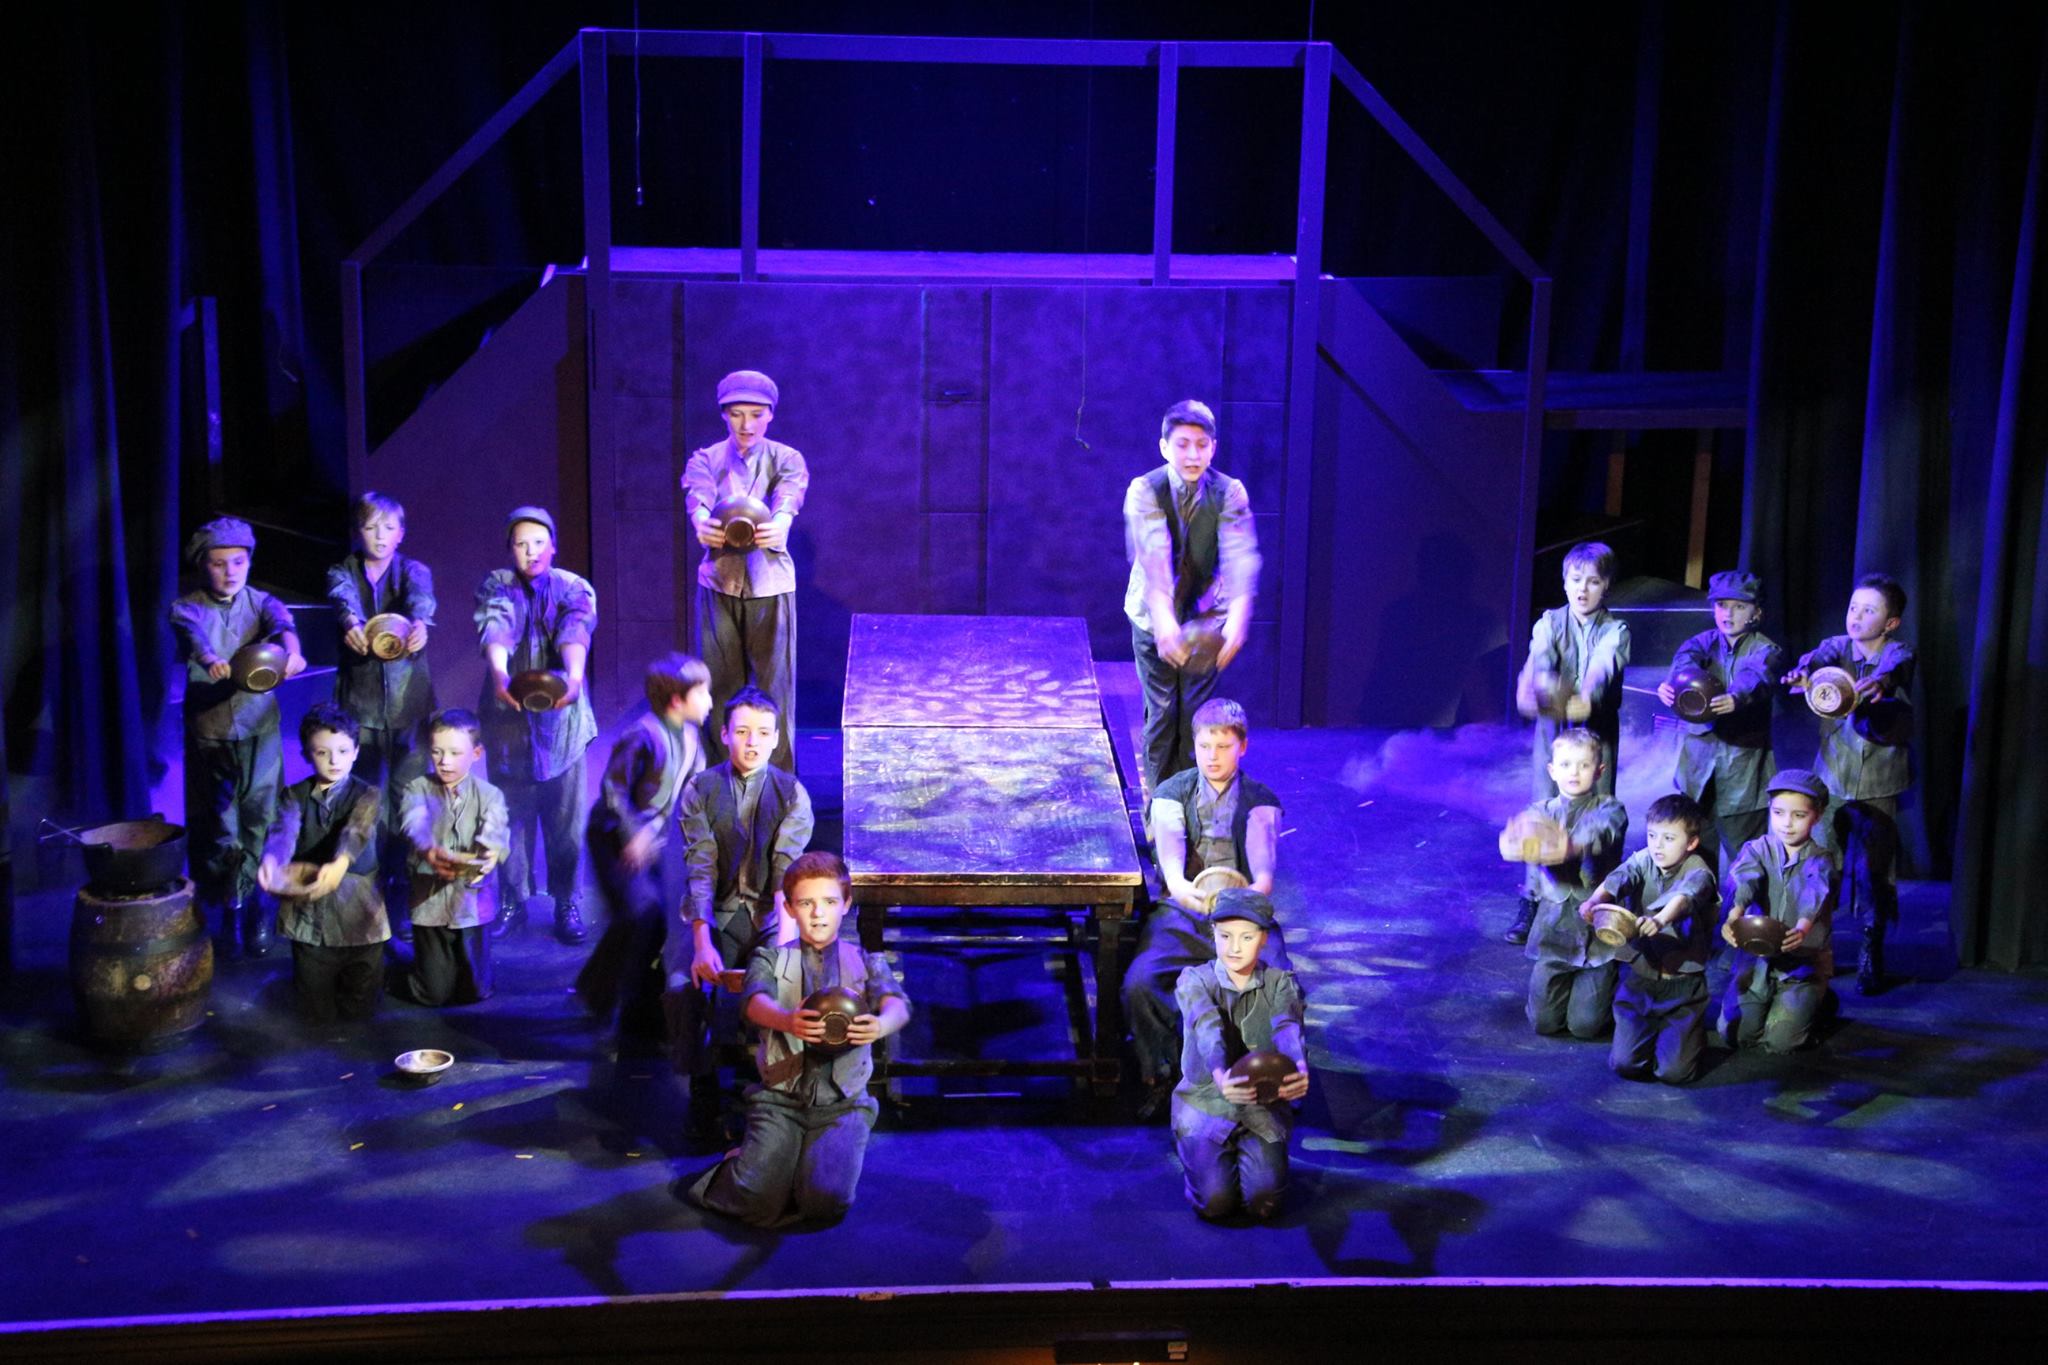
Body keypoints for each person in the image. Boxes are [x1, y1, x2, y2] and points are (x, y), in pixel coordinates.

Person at [683, 852, 909, 1227]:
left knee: (826, 1202)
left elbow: (896, 1004)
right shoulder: (769, 958)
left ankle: (794, 1172)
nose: (818, 914)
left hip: (843, 1104)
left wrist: (882, 1025)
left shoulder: (866, 961)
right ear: (789, 908)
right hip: (780, 1100)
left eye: (829, 902)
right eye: (806, 904)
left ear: (846, 904)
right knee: (755, 1198)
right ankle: (741, 1167)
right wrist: (787, 1020)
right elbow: (755, 1003)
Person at [1124, 697, 1285, 1104]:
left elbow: (1263, 870)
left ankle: (1262, 1084)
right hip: (1184, 911)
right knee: (1141, 983)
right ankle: (1163, 1072)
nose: (1212, 757)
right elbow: (1171, 857)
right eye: (1204, 746)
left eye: (1224, 747)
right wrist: (1181, 887)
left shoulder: (1260, 799)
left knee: (1280, 986)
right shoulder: (1172, 793)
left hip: (1242, 915)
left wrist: (1251, 895)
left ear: (1242, 747)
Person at [671, 687, 815, 1133]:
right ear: (724, 734)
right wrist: (702, 942)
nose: (752, 742)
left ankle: (773, 1090)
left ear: (777, 739)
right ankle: (703, 1092)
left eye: (763, 733)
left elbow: (786, 876)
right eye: (742, 732)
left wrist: (784, 947)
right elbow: (700, 866)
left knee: (784, 983)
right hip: (716, 912)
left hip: (772, 918)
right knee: (687, 985)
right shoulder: (700, 789)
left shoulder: (791, 794)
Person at [168, 515, 306, 958]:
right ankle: (231, 904)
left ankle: (260, 906)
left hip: (259, 727)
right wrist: (211, 659)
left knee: (261, 817)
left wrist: (294, 653)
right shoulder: (187, 607)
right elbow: (195, 638)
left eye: (239, 562)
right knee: (221, 824)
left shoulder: (261, 601)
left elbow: (282, 623)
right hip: (212, 733)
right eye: (218, 563)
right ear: (202, 565)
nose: (230, 572)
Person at [1122, 398, 1262, 796]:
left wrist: (1238, 617)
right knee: (1162, 714)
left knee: (1195, 718)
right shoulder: (1144, 490)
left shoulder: (1229, 492)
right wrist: (1164, 621)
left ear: (1213, 448)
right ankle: (1160, 805)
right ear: (1164, 447)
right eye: (1182, 444)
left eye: (1202, 445)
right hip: (1152, 619)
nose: (1193, 455)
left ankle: (1191, 803)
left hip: (1205, 621)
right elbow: (1153, 557)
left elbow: (1240, 556)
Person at [576, 653, 712, 1051]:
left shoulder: (691, 739)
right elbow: (614, 790)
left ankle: (608, 996)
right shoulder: (644, 734)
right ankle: (607, 998)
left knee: (654, 919)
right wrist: (633, 834)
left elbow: (687, 794)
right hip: (612, 838)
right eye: (702, 693)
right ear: (677, 700)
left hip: (654, 842)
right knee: (639, 913)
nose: (709, 701)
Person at [1784, 573, 1913, 994]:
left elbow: (1897, 668)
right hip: (1832, 778)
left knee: (1875, 870)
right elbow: (1818, 657)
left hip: (1879, 780)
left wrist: (1881, 682)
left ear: (1890, 623)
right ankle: (1817, 949)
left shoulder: (1896, 652)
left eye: (1869, 611)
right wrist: (1804, 671)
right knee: (1821, 865)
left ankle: (1871, 947)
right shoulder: (1837, 647)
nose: (1856, 616)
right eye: (1854, 607)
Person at [474, 505, 597, 945]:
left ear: (553, 545)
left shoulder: (574, 586)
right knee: (510, 816)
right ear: (510, 549)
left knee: (565, 822)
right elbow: (497, 626)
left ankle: (566, 901)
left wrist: (574, 679)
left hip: (563, 725)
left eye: (539, 543)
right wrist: (499, 674)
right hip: (508, 722)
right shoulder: (496, 584)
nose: (532, 552)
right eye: (522, 544)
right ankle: (513, 898)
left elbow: (575, 630)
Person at [682, 369, 807, 773]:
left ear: (770, 414)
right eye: (736, 414)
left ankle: (779, 784)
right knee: (719, 688)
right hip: (719, 584)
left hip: (770, 585)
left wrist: (781, 522)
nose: (746, 424)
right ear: (724, 414)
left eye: (756, 414)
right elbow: (698, 497)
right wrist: (701, 521)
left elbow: (789, 496)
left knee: (775, 689)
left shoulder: (786, 458)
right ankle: (721, 781)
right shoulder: (706, 459)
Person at [325, 490, 437, 937]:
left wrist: (421, 625)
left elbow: (421, 601)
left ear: (401, 533)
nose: (380, 535)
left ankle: (401, 887)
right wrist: (351, 623)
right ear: (359, 530)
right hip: (360, 706)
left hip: (409, 704)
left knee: (408, 800)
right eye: (371, 526)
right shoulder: (343, 570)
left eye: (389, 527)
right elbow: (341, 598)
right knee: (364, 799)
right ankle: (363, 890)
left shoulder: (414, 570)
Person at [1505, 541, 1629, 944]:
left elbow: (1603, 666)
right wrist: (1533, 687)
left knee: (1599, 812)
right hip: (1554, 735)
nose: (1583, 589)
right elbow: (1538, 661)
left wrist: (1586, 696)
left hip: (1596, 736)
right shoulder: (1550, 622)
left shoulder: (1616, 630)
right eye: (1576, 580)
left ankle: (1599, 898)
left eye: (1593, 581)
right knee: (1543, 808)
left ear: (1606, 586)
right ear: (1564, 582)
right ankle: (1533, 898)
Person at [1170, 889, 1308, 1222]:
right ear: (1213, 934)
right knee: (1216, 1204)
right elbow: (1208, 1027)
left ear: (1264, 938)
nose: (1234, 948)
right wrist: (1221, 1076)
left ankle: (1253, 1152)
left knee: (1264, 1203)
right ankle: (1200, 1163)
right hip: (1206, 1101)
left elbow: (1287, 1027)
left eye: (1246, 937)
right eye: (1225, 936)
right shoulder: (1194, 981)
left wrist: (1300, 1067)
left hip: (1261, 1103)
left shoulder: (1280, 983)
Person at [257, 704, 389, 1024]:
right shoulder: (295, 795)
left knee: (360, 1006)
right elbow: (284, 831)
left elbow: (357, 829)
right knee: (315, 1011)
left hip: (358, 908)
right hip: (310, 909)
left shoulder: (367, 794)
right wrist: (273, 859)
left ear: (356, 752)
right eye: (322, 752)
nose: (334, 761)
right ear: (307, 754)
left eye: (343, 751)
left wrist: (340, 862)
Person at [1581, 793, 1718, 1084]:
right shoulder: (1644, 859)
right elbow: (1619, 877)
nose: (1657, 845)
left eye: (1669, 838)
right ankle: (1648, 1032)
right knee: (1626, 1064)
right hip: (1641, 979)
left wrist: (1660, 920)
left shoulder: (1698, 871)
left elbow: (1685, 897)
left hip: (1681, 985)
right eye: (1652, 835)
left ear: (1691, 843)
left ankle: (1689, 1034)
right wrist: (1594, 901)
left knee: (1674, 1073)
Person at [1656, 570, 1780, 879]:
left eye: (1739, 606)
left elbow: (1756, 676)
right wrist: (1672, 687)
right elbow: (1684, 664)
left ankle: (1746, 911)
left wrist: (1736, 697)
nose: (1728, 613)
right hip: (1697, 774)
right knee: (1697, 858)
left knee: (1746, 862)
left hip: (1743, 776)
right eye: (1722, 605)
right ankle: (1699, 909)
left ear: (1756, 613)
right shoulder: (1701, 643)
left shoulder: (1765, 650)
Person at [1511, 729, 1629, 1040]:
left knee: (1585, 1026)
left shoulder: (1611, 809)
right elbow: (1521, 835)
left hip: (1597, 932)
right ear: (1552, 770)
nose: (1574, 773)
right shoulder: (1540, 811)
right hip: (1555, 929)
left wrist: (1565, 847)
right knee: (1544, 1023)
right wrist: (1521, 839)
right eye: (1565, 765)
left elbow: (1598, 833)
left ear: (1599, 771)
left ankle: (1608, 985)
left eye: (1583, 765)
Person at [1718, 769, 1839, 1052]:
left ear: (1817, 815)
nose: (1787, 823)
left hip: (1800, 964)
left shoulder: (1820, 859)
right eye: (1778, 813)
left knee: (1781, 1042)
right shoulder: (1758, 849)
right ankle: (1774, 1001)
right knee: (1736, 1035)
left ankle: (1819, 1000)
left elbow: (1814, 891)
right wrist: (1736, 912)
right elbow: (1746, 878)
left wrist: (1803, 927)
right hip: (1759, 960)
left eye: (1799, 815)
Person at [397, 709, 509, 1007]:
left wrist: (490, 854)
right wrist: (428, 849)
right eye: (437, 752)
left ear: (476, 753)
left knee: (475, 991)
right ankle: (395, 965)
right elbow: (414, 823)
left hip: (472, 904)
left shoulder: (490, 795)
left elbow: (496, 829)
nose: (444, 761)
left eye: (455, 753)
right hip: (430, 902)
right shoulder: (416, 788)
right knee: (433, 993)